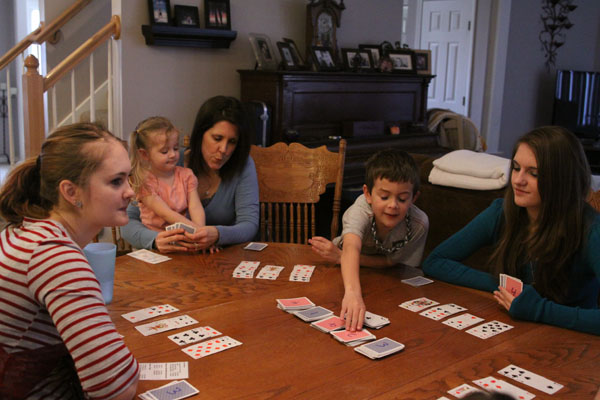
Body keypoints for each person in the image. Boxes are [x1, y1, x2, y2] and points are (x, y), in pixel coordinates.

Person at [0, 123, 138, 399]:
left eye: (129, 178)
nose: (131, 191)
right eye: (116, 181)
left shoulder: (24, 231)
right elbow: (116, 387)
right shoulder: (53, 256)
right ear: (71, 192)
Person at [423, 126, 600, 336]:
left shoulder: (591, 230)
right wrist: (505, 286)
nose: (518, 180)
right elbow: (435, 261)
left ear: (562, 180)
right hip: (514, 332)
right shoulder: (502, 211)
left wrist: (538, 309)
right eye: (516, 168)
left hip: (573, 343)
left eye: (533, 173)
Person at [121, 96, 259, 253]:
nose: (223, 149)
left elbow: (249, 225)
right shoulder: (167, 164)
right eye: (217, 138)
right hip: (167, 257)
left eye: (232, 142)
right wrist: (154, 240)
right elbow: (128, 221)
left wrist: (217, 234)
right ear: (200, 135)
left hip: (218, 258)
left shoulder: (243, 165)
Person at [310, 150, 429, 331]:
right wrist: (352, 294)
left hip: (385, 279)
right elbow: (351, 247)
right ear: (367, 194)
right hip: (345, 276)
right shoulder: (360, 211)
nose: (392, 205)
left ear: (414, 198)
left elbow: (395, 265)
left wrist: (340, 256)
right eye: (384, 197)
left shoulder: (419, 224)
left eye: (402, 198)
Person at [129, 116, 205, 233]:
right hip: (155, 242)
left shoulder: (187, 175)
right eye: (164, 151)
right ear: (145, 154)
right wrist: (197, 230)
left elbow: (195, 207)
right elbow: (166, 214)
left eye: (175, 148)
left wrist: (202, 233)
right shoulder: (145, 182)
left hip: (183, 234)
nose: (173, 155)